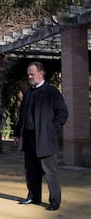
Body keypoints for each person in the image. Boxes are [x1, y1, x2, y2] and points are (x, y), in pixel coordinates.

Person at [13, 61, 68, 211]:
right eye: (28, 74)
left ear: (41, 73)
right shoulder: (28, 92)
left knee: (50, 171)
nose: (30, 77)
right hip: (29, 137)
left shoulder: (51, 91)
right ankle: (34, 197)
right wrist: (18, 133)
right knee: (31, 170)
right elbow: (22, 115)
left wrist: (51, 129)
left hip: (45, 138)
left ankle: (55, 201)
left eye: (32, 74)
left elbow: (62, 113)